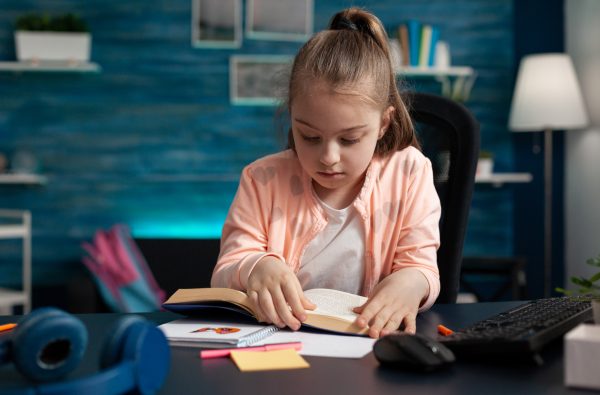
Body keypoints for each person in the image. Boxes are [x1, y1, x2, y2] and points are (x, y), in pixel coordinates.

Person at [211, 7, 441, 339]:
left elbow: (422, 266)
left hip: (372, 345)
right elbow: (226, 269)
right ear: (293, 117)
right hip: (281, 346)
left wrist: (411, 282)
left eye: (349, 139)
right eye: (310, 137)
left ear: (383, 124)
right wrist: (255, 267)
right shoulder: (261, 179)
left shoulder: (410, 173)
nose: (328, 157)